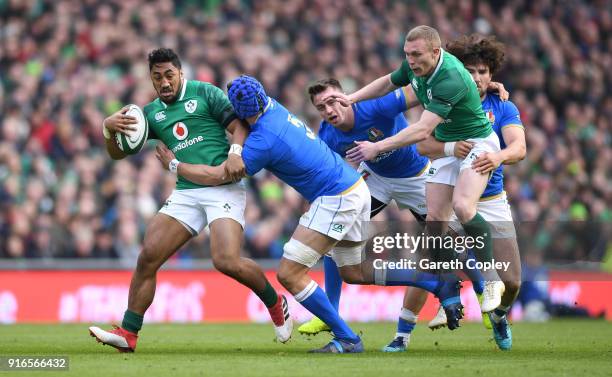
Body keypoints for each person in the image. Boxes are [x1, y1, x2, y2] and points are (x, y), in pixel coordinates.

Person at [155, 75, 465, 353]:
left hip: (336, 197)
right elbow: (247, 126)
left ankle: (346, 338)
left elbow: (219, 176)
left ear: (240, 112)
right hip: (353, 187)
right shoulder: (273, 108)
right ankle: (436, 283)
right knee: (353, 273)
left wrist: (174, 165)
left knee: (289, 273)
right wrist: (236, 147)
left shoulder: (263, 142)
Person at [88, 49, 292, 353]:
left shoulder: (204, 93)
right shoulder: (150, 114)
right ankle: (128, 333)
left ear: (180, 73)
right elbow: (119, 153)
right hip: (186, 191)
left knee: (226, 261)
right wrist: (107, 129)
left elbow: (240, 125)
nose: (164, 81)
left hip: (222, 185)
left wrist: (235, 154)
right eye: (157, 76)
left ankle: (275, 303)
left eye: (169, 74)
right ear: (151, 79)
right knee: (148, 257)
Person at [325, 25, 506, 313]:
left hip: (475, 143)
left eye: (416, 54)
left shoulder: (450, 79)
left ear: (436, 52)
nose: (410, 60)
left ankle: (491, 281)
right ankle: (445, 294)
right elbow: (387, 81)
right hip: (446, 148)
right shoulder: (417, 66)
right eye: (407, 54)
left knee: (462, 207)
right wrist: (352, 98)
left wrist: (378, 147)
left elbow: (422, 130)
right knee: (436, 224)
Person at [389, 34, 526, 351]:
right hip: (450, 196)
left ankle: (500, 316)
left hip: (490, 201)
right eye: (472, 71)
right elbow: (423, 144)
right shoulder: (443, 97)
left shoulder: (502, 106)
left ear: (491, 75)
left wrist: (498, 156)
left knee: (514, 281)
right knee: (427, 262)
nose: (478, 78)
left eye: (483, 72)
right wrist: (450, 147)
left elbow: (519, 148)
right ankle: (401, 335)